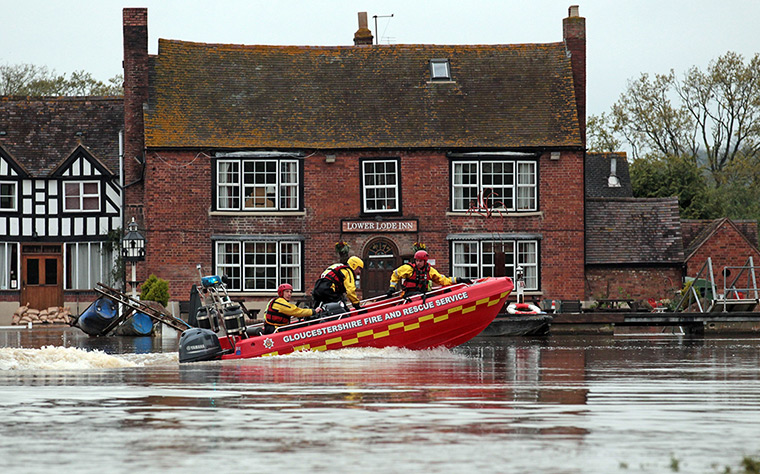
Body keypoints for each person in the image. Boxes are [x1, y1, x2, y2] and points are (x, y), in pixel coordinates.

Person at [387, 250, 472, 298]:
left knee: (433, 297)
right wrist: (392, 287)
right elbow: (396, 274)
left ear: (425, 261)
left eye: (420, 261)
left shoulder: (430, 271)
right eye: (417, 260)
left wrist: (459, 280)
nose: (418, 263)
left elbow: (442, 280)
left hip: (421, 294)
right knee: (422, 296)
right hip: (409, 294)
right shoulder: (409, 268)